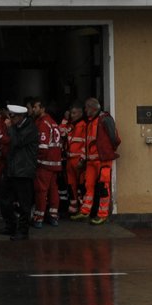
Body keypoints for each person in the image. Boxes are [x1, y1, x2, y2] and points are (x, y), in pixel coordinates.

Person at [73, 96, 122, 224]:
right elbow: (87, 143)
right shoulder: (90, 122)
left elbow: (115, 138)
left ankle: (102, 214)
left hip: (102, 160)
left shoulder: (104, 119)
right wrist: (83, 159)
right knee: (88, 185)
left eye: (86, 107)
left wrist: (109, 151)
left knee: (103, 187)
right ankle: (85, 211)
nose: (84, 110)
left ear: (92, 108)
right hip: (91, 161)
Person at [0, 102, 38, 239]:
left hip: (24, 171)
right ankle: (11, 225)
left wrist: (10, 128)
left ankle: (23, 231)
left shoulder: (30, 128)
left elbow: (16, 141)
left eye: (13, 117)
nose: (11, 119)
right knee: (4, 198)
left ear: (21, 116)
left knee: (24, 203)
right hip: (12, 169)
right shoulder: (17, 127)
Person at [30, 100, 64, 227]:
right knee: (53, 190)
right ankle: (53, 216)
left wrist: (36, 160)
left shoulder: (43, 123)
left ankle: (39, 217)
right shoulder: (53, 123)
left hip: (45, 163)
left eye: (35, 107)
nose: (33, 109)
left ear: (42, 108)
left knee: (41, 190)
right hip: (55, 162)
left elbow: (42, 147)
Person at [62, 104, 87, 215]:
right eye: (71, 113)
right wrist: (64, 120)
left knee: (82, 186)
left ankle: (83, 209)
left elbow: (86, 144)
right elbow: (60, 133)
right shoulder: (70, 126)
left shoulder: (84, 126)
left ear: (81, 113)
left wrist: (82, 159)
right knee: (71, 185)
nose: (72, 115)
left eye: (74, 113)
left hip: (78, 160)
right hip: (69, 160)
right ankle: (73, 209)